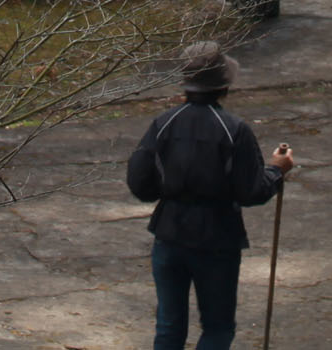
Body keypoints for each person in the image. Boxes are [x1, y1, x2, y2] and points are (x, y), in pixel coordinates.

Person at [126, 43, 294, 350]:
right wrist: (277, 170)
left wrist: (170, 191)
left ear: (186, 85)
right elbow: (252, 191)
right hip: (218, 237)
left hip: (169, 233)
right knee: (217, 327)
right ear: (224, 86)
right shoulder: (234, 130)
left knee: (169, 326)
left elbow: (139, 182)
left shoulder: (164, 123)